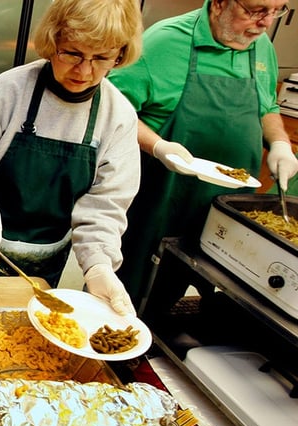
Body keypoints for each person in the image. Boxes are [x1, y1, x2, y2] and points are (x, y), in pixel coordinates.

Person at [0, 0, 144, 316]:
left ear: (119, 55)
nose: (84, 70)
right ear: (53, 42)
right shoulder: (9, 91)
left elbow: (105, 207)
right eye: (73, 53)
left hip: (39, 265)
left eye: (101, 58)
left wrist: (98, 266)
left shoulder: (118, 118)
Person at [108, 0, 298, 310]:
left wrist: (279, 143)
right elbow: (112, 108)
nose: (266, 23)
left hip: (226, 210)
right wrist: (158, 145)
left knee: (198, 295)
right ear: (220, 3)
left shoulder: (260, 46)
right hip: (159, 205)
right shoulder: (165, 41)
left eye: (278, 10)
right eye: (255, 10)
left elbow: (268, 107)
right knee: (131, 294)